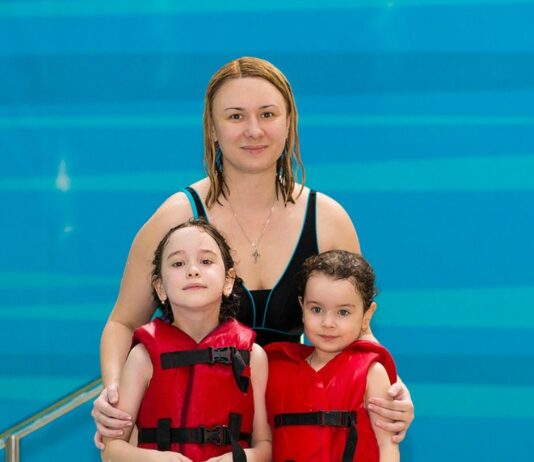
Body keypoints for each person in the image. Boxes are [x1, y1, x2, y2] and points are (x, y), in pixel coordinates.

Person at [93, 56, 414, 448]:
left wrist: (392, 388)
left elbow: (358, 331)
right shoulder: (176, 217)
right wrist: (114, 393)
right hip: (195, 437)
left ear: (288, 122)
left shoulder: (328, 220)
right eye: (235, 116)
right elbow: (122, 323)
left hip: (290, 431)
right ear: (212, 129)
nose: (254, 130)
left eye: (267, 114)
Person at [101, 219, 271, 462]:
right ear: (160, 287)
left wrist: (241, 458)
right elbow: (111, 450)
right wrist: (157, 460)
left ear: (228, 280)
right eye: (178, 263)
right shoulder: (143, 357)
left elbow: (265, 445)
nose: (193, 270)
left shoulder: (254, 356)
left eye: (206, 261)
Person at [265, 250, 400, 462]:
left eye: (343, 312)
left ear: (367, 315)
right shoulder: (276, 368)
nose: (328, 323)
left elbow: (387, 448)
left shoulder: (372, 373)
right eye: (317, 309)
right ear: (302, 308)